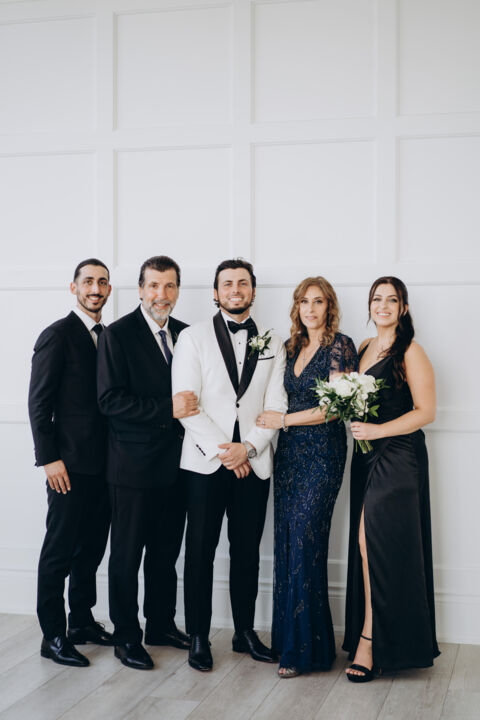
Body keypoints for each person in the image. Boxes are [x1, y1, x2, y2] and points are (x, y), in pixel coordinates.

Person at [171, 258, 287, 672]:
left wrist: (249, 448)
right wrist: (228, 451)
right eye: (227, 284)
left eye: (242, 283)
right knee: (200, 551)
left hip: (253, 464)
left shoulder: (274, 342)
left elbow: (276, 404)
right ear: (215, 293)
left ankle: (244, 632)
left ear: (253, 290)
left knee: (247, 551)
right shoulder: (192, 337)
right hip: (205, 463)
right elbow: (186, 405)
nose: (235, 289)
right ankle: (198, 636)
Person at [97, 255, 198, 670]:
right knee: (126, 556)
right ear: (140, 289)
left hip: (178, 466)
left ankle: (160, 624)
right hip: (132, 468)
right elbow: (110, 401)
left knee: (165, 553)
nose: (162, 294)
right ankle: (126, 636)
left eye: (169, 286)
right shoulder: (117, 335)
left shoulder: (187, 334)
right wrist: (166, 409)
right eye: (154, 285)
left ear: (177, 290)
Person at [256, 277, 357, 677]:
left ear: (329, 306)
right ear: (296, 307)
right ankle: (296, 642)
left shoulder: (341, 345)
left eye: (318, 302)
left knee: (305, 539)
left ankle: (303, 652)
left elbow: (336, 407)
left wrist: (284, 421)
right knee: (288, 542)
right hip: (289, 456)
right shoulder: (289, 346)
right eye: (304, 302)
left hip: (323, 453)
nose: (311, 309)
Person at [343, 276, 439, 682]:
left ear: (403, 308)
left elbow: (426, 411)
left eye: (392, 300)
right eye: (377, 299)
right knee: (370, 546)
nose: (383, 305)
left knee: (372, 543)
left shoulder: (411, 351)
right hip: (365, 456)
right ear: (370, 305)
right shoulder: (364, 347)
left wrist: (378, 430)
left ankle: (370, 641)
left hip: (399, 455)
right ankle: (384, 638)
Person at [28, 258, 113, 667]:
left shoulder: (108, 337)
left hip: (106, 465)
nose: (95, 288)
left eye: (102, 282)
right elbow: (38, 403)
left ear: (109, 289)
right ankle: (53, 635)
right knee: (59, 551)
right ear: (74, 287)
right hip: (67, 466)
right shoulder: (57, 335)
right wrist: (49, 460)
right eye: (88, 281)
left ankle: (81, 621)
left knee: (91, 549)